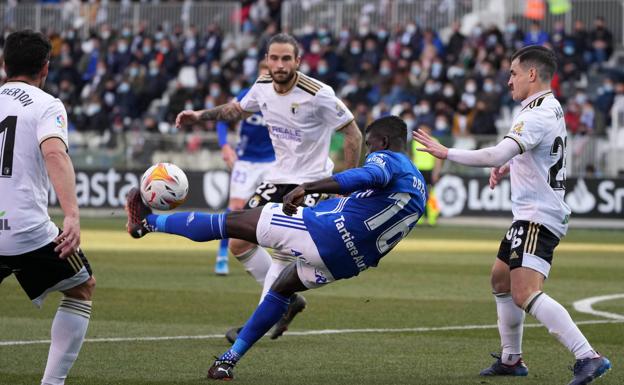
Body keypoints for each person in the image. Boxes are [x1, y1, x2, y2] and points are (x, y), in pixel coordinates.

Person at [125, 115, 427, 380]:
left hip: (323, 232)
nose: (370, 152)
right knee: (282, 290)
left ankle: (147, 223)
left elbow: (365, 175)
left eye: (371, 145)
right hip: (349, 262)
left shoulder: (388, 159)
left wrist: (309, 187)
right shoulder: (419, 187)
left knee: (230, 223)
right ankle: (227, 362)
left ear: (384, 141)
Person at [413, 45, 611, 385]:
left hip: (538, 216)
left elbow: (495, 152)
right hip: (531, 214)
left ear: (531, 75)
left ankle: (588, 356)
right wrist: (510, 165)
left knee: (524, 293)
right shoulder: (549, 107)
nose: (508, 81)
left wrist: (447, 152)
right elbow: (537, 152)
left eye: (513, 73)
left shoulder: (534, 114)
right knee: (500, 278)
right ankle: (511, 359)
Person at [175, 33, 362, 340]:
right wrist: (200, 115)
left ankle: (259, 323)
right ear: (267, 59)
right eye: (274, 58)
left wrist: (347, 183)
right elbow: (236, 109)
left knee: (281, 252)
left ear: (297, 62)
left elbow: (353, 134)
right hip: (277, 178)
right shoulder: (262, 86)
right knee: (238, 241)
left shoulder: (318, 93)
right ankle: (287, 300)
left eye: (286, 58)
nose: (279, 64)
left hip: (309, 183)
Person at [0, 30, 95, 385]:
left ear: (4, 64)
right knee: (82, 287)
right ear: (46, 67)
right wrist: (71, 214)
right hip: (27, 232)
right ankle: (51, 383)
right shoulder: (46, 104)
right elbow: (54, 152)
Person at [213, 62, 276, 276]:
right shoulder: (246, 95)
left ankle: (273, 259)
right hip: (246, 161)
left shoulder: (283, 99)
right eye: (263, 74)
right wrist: (225, 146)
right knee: (236, 208)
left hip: (273, 162)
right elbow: (222, 118)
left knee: (278, 209)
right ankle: (222, 255)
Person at [411, 123, 442, 226]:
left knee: (430, 196)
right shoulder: (414, 142)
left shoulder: (434, 141)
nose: (424, 130)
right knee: (418, 195)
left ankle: (432, 219)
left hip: (429, 171)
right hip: (418, 171)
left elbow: (438, 160)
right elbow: (411, 158)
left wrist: (436, 173)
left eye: (426, 128)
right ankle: (419, 218)